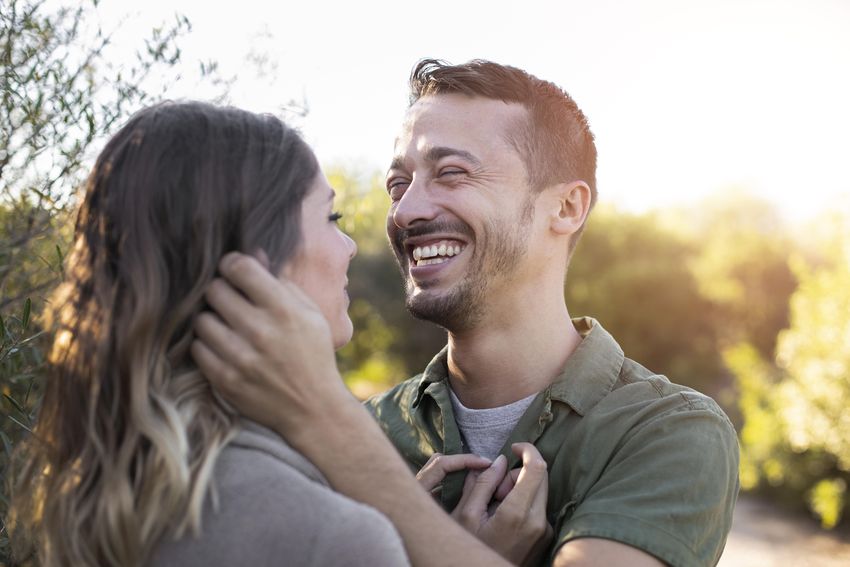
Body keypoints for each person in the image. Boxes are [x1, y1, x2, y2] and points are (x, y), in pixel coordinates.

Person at [198, 60, 740, 567]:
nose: (406, 210)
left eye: (452, 173)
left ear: (566, 207)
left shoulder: (668, 433)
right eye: (397, 185)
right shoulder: (374, 428)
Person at [8, 101, 551, 567]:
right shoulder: (326, 535)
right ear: (256, 262)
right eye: (332, 217)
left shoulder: (111, 477)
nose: (352, 247)